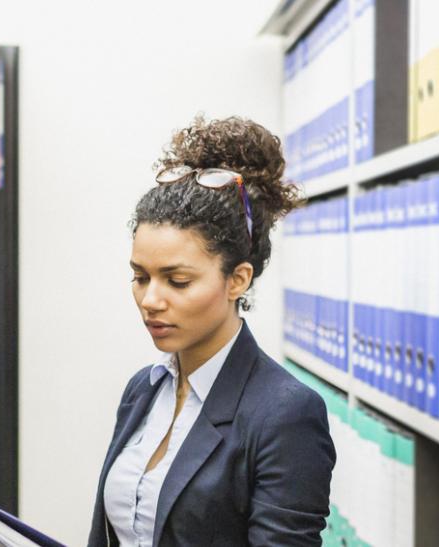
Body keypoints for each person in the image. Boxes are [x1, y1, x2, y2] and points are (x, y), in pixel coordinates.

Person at [88, 116, 336, 546]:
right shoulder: (142, 391)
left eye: (177, 281)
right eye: (140, 277)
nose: (150, 300)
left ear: (237, 280)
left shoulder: (285, 415)